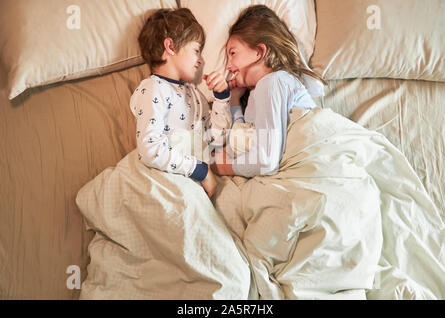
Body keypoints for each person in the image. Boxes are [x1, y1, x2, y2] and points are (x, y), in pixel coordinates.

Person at [211, 5, 326, 178]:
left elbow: (265, 161)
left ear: (259, 51)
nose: (227, 65)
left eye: (233, 53)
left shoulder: (273, 81)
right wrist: (234, 100)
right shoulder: (261, 90)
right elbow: (243, 138)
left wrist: (222, 167)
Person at [130, 8, 232, 198]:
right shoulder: (154, 88)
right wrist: (200, 170)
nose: (200, 60)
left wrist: (221, 97)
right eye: (196, 51)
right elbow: (150, 149)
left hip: (195, 179)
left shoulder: (194, 94)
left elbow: (217, 138)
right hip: (164, 177)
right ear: (171, 47)